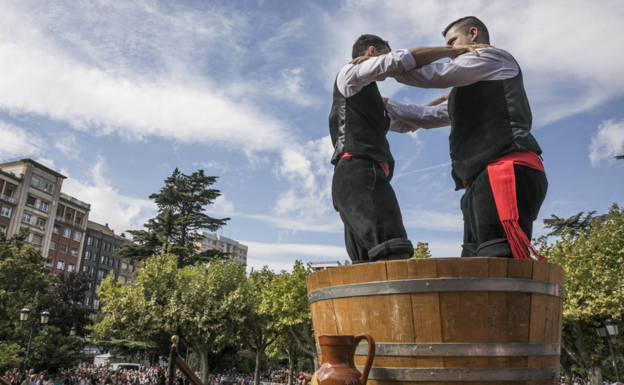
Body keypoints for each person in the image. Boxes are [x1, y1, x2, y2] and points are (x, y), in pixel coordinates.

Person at [383, 16, 548, 260]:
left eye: (453, 43)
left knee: (499, 257)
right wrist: (385, 104)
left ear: (473, 35)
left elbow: (436, 75)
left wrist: (383, 65)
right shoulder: (465, 88)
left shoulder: (493, 57)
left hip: (505, 167)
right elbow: (426, 117)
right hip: (479, 178)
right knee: (474, 260)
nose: (451, 52)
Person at [330, 34, 487, 263]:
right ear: (372, 51)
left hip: (355, 177)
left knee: (367, 264)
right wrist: (453, 51)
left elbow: (408, 123)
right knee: (394, 250)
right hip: (358, 172)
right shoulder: (350, 74)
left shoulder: (367, 99)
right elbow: (397, 61)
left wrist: (446, 99)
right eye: (384, 53)